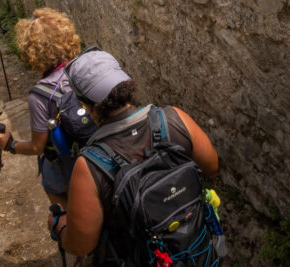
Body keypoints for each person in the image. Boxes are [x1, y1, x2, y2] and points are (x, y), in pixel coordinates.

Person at [49, 48, 219, 261]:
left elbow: (81, 245)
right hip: (198, 253)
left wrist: (60, 229)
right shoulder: (175, 119)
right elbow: (211, 166)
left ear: (86, 105)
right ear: (125, 83)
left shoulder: (90, 165)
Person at [0, 9, 92, 205]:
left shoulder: (40, 95)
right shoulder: (86, 67)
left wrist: (10, 145)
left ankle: (67, 220)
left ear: (31, 51)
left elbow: (38, 147)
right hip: (100, 152)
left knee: (51, 185)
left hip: (70, 165)